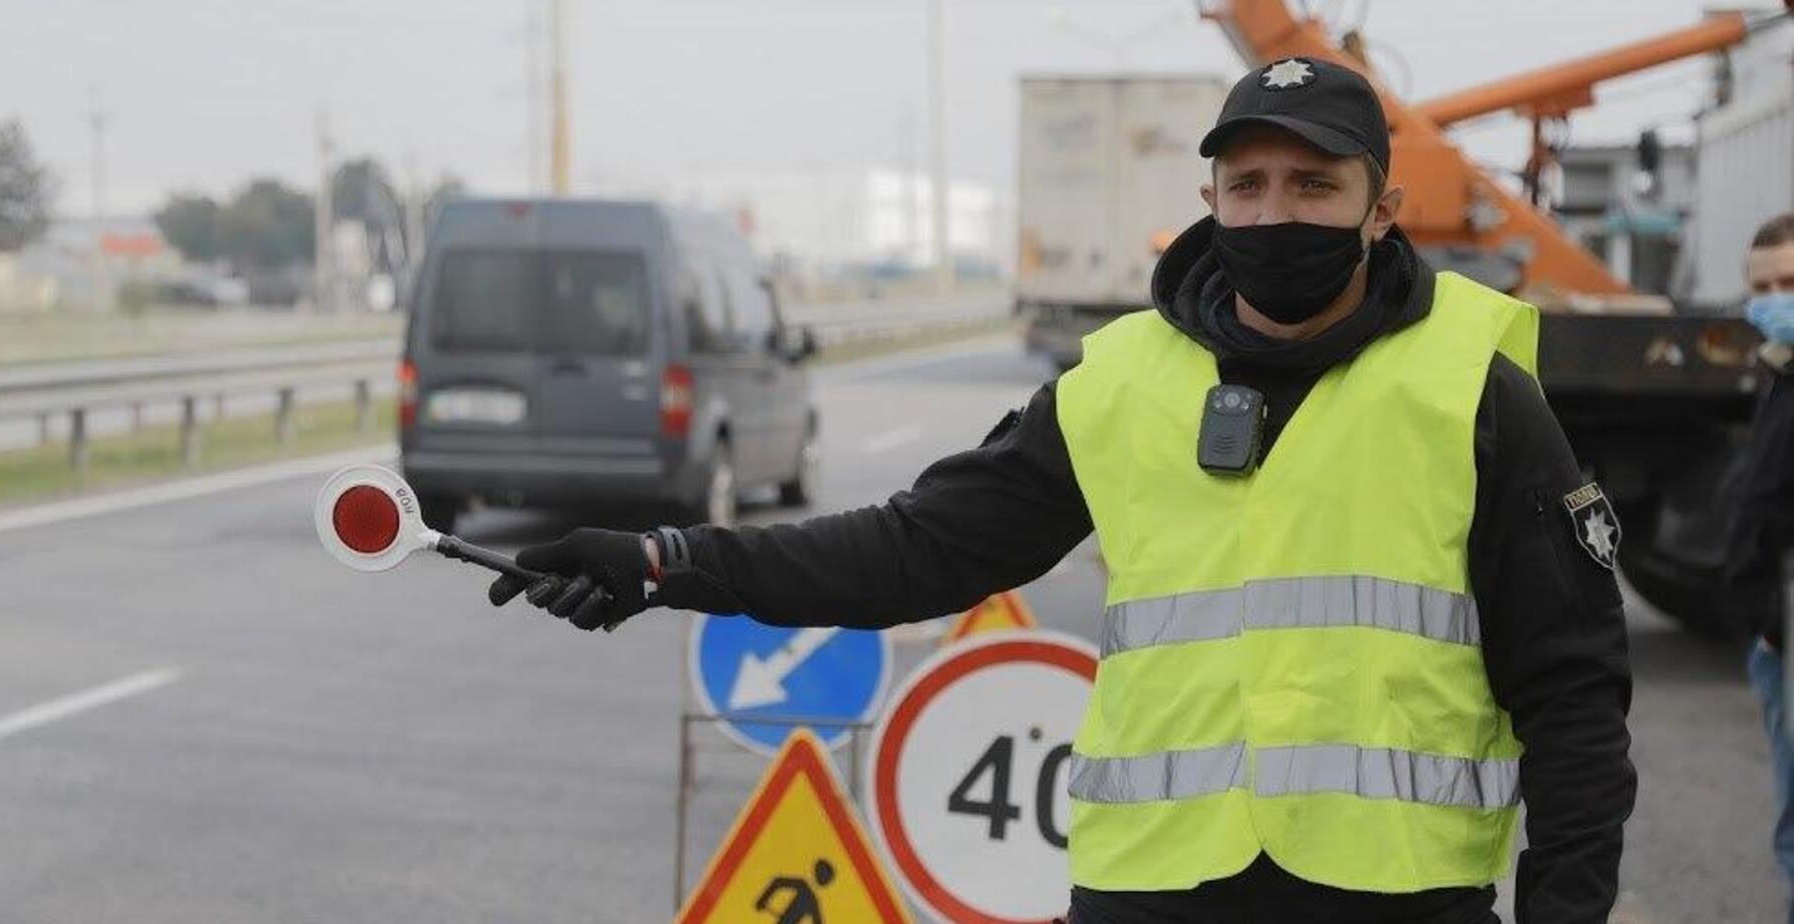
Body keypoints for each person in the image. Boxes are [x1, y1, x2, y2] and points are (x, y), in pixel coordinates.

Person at [494, 57, 1636, 924]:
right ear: (1210, 199)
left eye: (1313, 184)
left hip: (1396, 897)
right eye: (1248, 184)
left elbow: (1574, 694)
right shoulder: (1118, 384)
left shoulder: (1472, 389)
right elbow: (915, 550)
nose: (1276, 211)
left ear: (1381, 208)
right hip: (1149, 890)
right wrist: (669, 562)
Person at [1731, 212, 1794, 921]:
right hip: (1776, 633)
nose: (1775, 299)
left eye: (1791, 282)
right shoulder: (1782, 369)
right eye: (1764, 286)